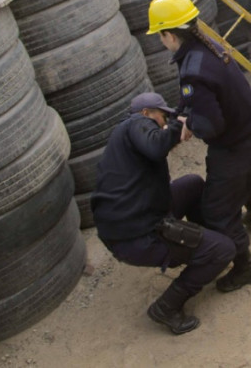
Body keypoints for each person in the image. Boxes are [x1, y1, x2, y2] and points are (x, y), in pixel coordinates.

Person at [147, 0, 251, 294]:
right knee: (240, 179)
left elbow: (211, 126)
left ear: (168, 34)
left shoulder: (193, 69)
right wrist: (181, 112)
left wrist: (190, 124)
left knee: (218, 210)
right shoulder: (206, 46)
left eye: (160, 35)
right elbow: (196, 96)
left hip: (235, 144)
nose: (160, 40)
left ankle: (247, 268)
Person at [92, 92, 235, 335]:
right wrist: (180, 123)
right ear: (146, 113)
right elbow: (155, 146)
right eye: (162, 116)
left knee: (191, 183)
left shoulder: (125, 137)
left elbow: (155, 146)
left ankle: (205, 247)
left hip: (133, 217)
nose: (165, 122)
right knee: (225, 250)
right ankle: (166, 308)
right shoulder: (135, 124)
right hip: (136, 236)